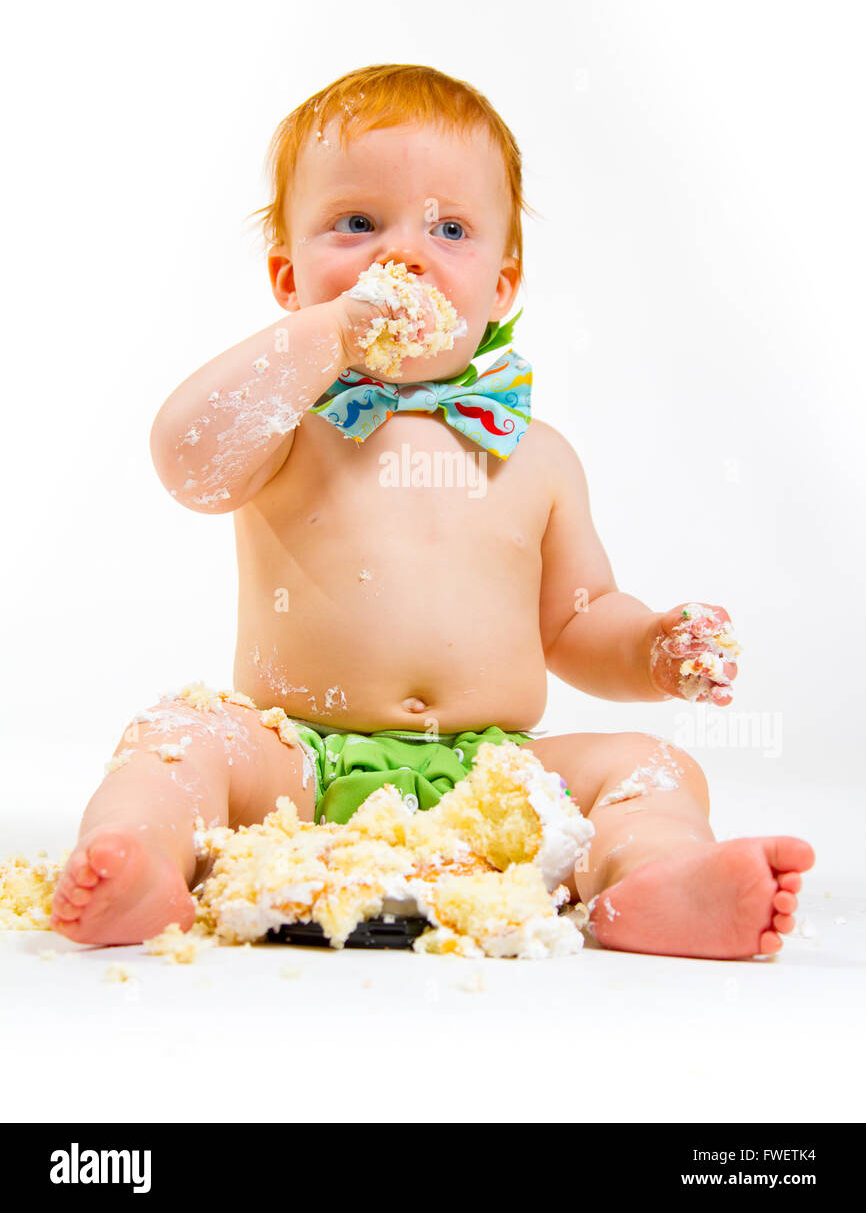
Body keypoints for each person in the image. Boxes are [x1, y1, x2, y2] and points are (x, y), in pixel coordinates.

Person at [50, 64, 813, 956]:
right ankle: (142, 862)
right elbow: (188, 462)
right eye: (359, 223)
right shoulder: (286, 427)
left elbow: (577, 620)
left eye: (449, 228)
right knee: (174, 738)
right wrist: (331, 336)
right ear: (289, 278)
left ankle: (649, 881)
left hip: (493, 773)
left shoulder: (540, 457)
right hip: (296, 758)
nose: (402, 253)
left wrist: (649, 647)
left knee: (655, 767)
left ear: (500, 285)